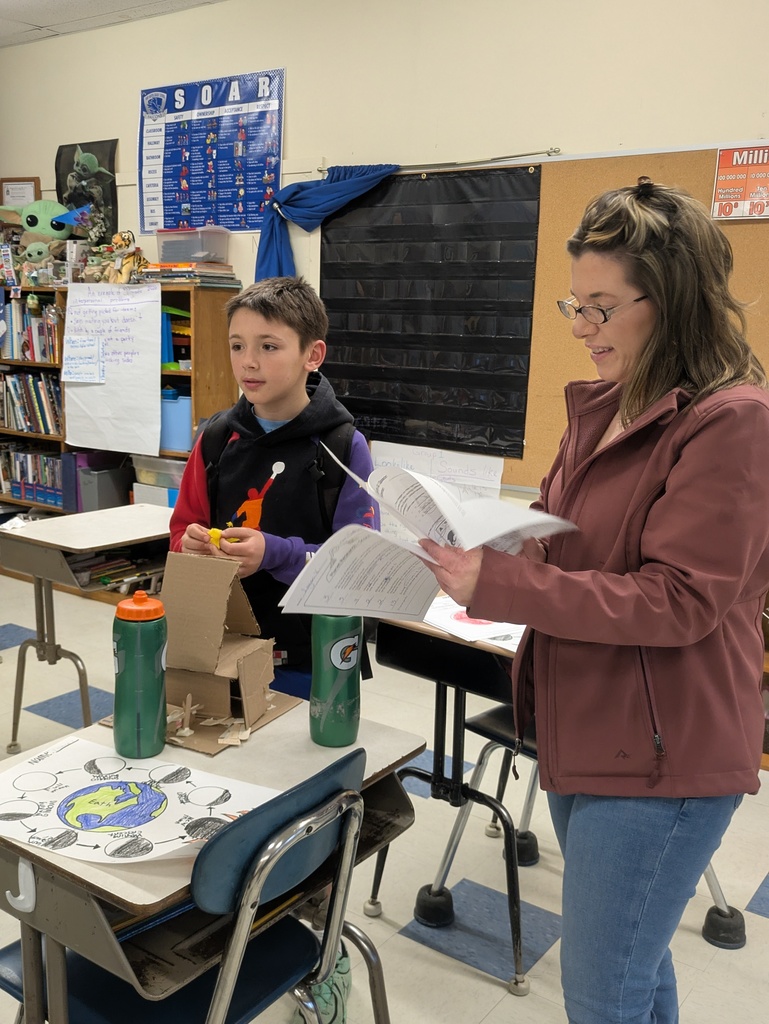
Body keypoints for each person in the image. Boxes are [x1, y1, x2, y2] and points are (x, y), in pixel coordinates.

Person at [421, 179, 769, 1024]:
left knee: (599, 993)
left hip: (663, 749)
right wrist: (500, 544)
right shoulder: (602, 408)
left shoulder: (732, 421)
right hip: (586, 720)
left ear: (674, 302)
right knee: (634, 969)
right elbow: (571, 538)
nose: (581, 330)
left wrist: (500, 583)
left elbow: (679, 601)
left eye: (601, 309)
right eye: (573, 306)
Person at [170, 275, 379, 699]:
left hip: (313, 657)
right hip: (222, 647)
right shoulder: (215, 438)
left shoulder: (342, 446)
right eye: (237, 345)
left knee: (303, 763)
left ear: (313, 354)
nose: (248, 362)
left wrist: (274, 554)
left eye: (268, 346)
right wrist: (189, 546)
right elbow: (180, 531)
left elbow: (359, 568)